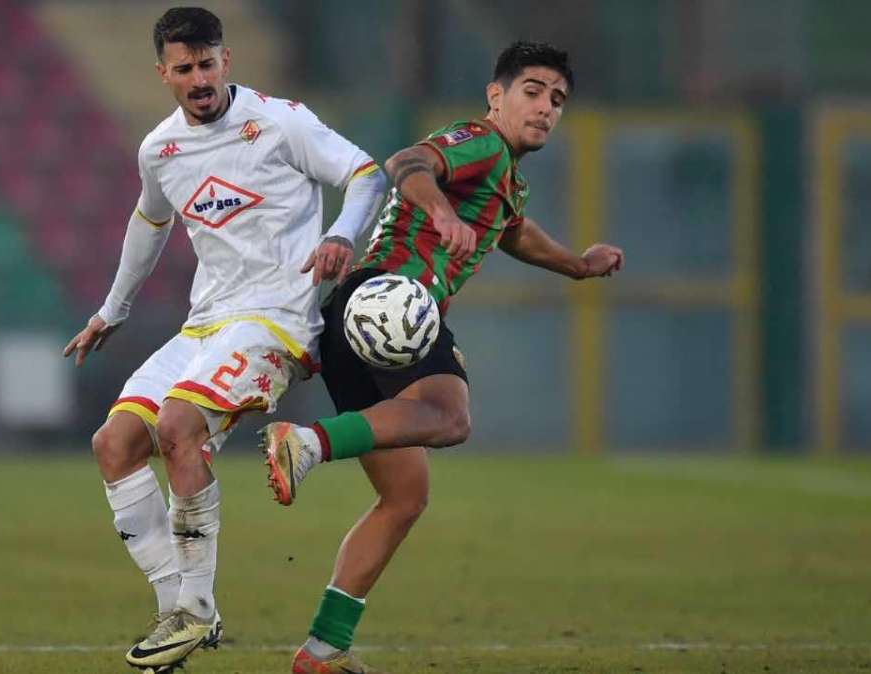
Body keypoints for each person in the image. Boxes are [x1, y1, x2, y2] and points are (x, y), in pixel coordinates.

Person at [258, 41, 624, 674]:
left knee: (405, 495)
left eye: (557, 99)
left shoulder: (505, 179)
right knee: (450, 416)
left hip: (360, 318)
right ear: (495, 96)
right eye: (532, 91)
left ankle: (323, 648)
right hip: (392, 302)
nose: (545, 108)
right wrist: (438, 208)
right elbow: (408, 161)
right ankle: (308, 443)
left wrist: (577, 265)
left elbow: (512, 230)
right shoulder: (481, 142)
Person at [62, 7, 385, 672]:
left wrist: (339, 235)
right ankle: (177, 614)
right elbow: (149, 222)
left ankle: (197, 607)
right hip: (206, 323)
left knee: (177, 426)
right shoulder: (160, 150)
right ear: (164, 73)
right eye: (185, 68)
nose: (199, 79)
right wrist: (112, 310)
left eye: (208, 64)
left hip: (276, 321)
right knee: (114, 445)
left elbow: (366, 174)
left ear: (225, 61)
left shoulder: (281, 122)